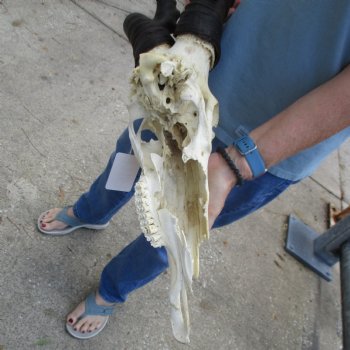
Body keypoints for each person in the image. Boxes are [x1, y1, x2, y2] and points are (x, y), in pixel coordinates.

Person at [37, 0, 350, 339]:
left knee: (173, 232)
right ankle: (91, 211)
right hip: (196, 76)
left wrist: (238, 162)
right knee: (127, 161)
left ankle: (111, 291)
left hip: (274, 145)